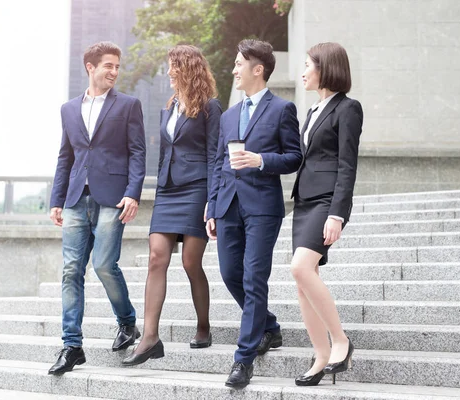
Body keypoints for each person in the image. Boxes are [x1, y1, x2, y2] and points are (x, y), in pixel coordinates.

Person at [206, 39, 302, 389]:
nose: (233, 69)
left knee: (253, 277)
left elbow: (295, 157)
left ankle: (243, 360)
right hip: (228, 205)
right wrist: (211, 205)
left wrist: (262, 161)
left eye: (238, 64)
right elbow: (219, 162)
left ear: (257, 69)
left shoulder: (282, 110)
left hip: (263, 207)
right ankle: (270, 327)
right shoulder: (229, 115)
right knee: (231, 272)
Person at [47, 41, 146, 375]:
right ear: (90, 67)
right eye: (108, 66)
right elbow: (66, 156)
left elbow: (138, 152)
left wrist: (134, 193)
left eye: (117, 66)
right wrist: (56, 199)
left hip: (113, 196)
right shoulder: (69, 109)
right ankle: (72, 345)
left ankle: (128, 322)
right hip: (76, 198)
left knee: (104, 265)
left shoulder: (129, 105)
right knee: (71, 270)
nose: (114, 72)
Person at [122, 45, 221, 367]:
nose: (168, 72)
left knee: (191, 263)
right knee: (155, 258)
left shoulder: (210, 107)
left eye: (172, 66)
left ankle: (203, 325)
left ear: (187, 68)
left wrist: (213, 200)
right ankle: (150, 337)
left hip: (196, 189)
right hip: (168, 191)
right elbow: (165, 151)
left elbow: (214, 156)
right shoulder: (169, 107)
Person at [290, 42, 363, 386]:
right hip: (303, 203)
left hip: (325, 202)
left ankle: (341, 341)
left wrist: (338, 214)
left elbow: (347, 166)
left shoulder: (348, 109)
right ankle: (320, 355)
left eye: (307, 65)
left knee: (301, 267)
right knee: (303, 281)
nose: (302, 72)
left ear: (325, 68)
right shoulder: (312, 111)